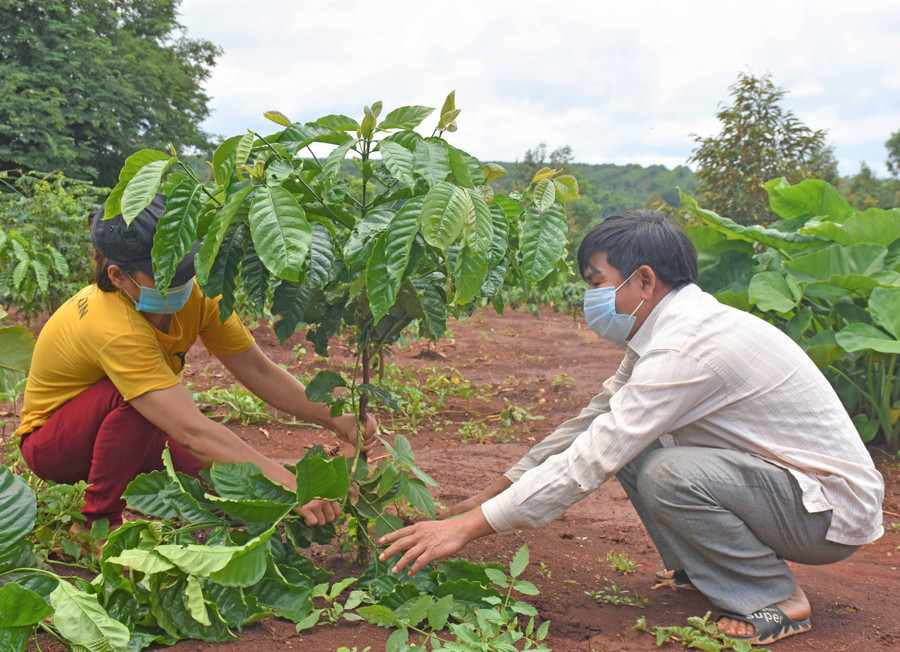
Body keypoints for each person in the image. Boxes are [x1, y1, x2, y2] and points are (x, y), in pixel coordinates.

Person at [378, 210, 884, 646]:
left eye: (597, 281)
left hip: (825, 513)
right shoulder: (663, 331)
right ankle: (705, 568)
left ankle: (775, 600)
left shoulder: (684, 347)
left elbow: (594, 456)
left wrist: (466, 529)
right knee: (641, 449)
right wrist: (490, 495)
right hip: (782, 490)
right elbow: (594, 420)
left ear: (644, 280)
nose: (589, 295)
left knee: (665, 470)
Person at [16, 194, 377, 532]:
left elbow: (257, 369)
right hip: (55, 446)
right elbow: (191, 430)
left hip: (133, 431)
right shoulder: (111, 325)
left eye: (184, 269)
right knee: (129, 398)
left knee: (235, 497)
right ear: (118, 277)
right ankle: (98, 523)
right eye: (164, 277)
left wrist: (336, 418)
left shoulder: (199, 295)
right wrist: (289, 481)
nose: (181, 283)